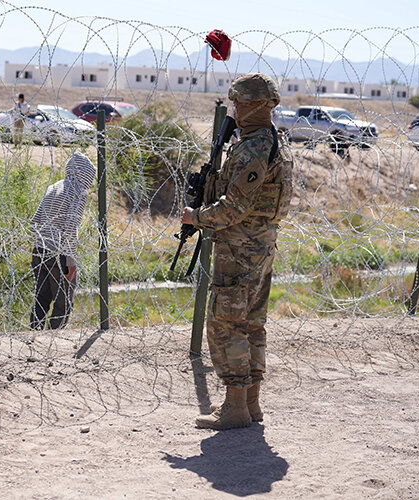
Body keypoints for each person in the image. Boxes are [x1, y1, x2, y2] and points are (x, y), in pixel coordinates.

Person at [181, 73, 293, 430]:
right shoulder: (271, 142)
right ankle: (251, 404)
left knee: (226, 324)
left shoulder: (254, 148)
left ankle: (235, 407)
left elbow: (234, 209)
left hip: (241, 249)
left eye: (239, 102)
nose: (235, 109)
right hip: (259, 246)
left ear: (258, 105)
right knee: (252, 324)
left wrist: (196, 217)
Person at [30, 152, 96, 330]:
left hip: (39, 249)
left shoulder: (53, 187)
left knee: (41, 297)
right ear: (86, 174)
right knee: (63, 300)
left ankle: (34, 334)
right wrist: (70, 261)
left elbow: (35, 220)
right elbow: (70, 228)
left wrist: (40, 242)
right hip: (58, 254)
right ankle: (55, 337)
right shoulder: (79, 191)